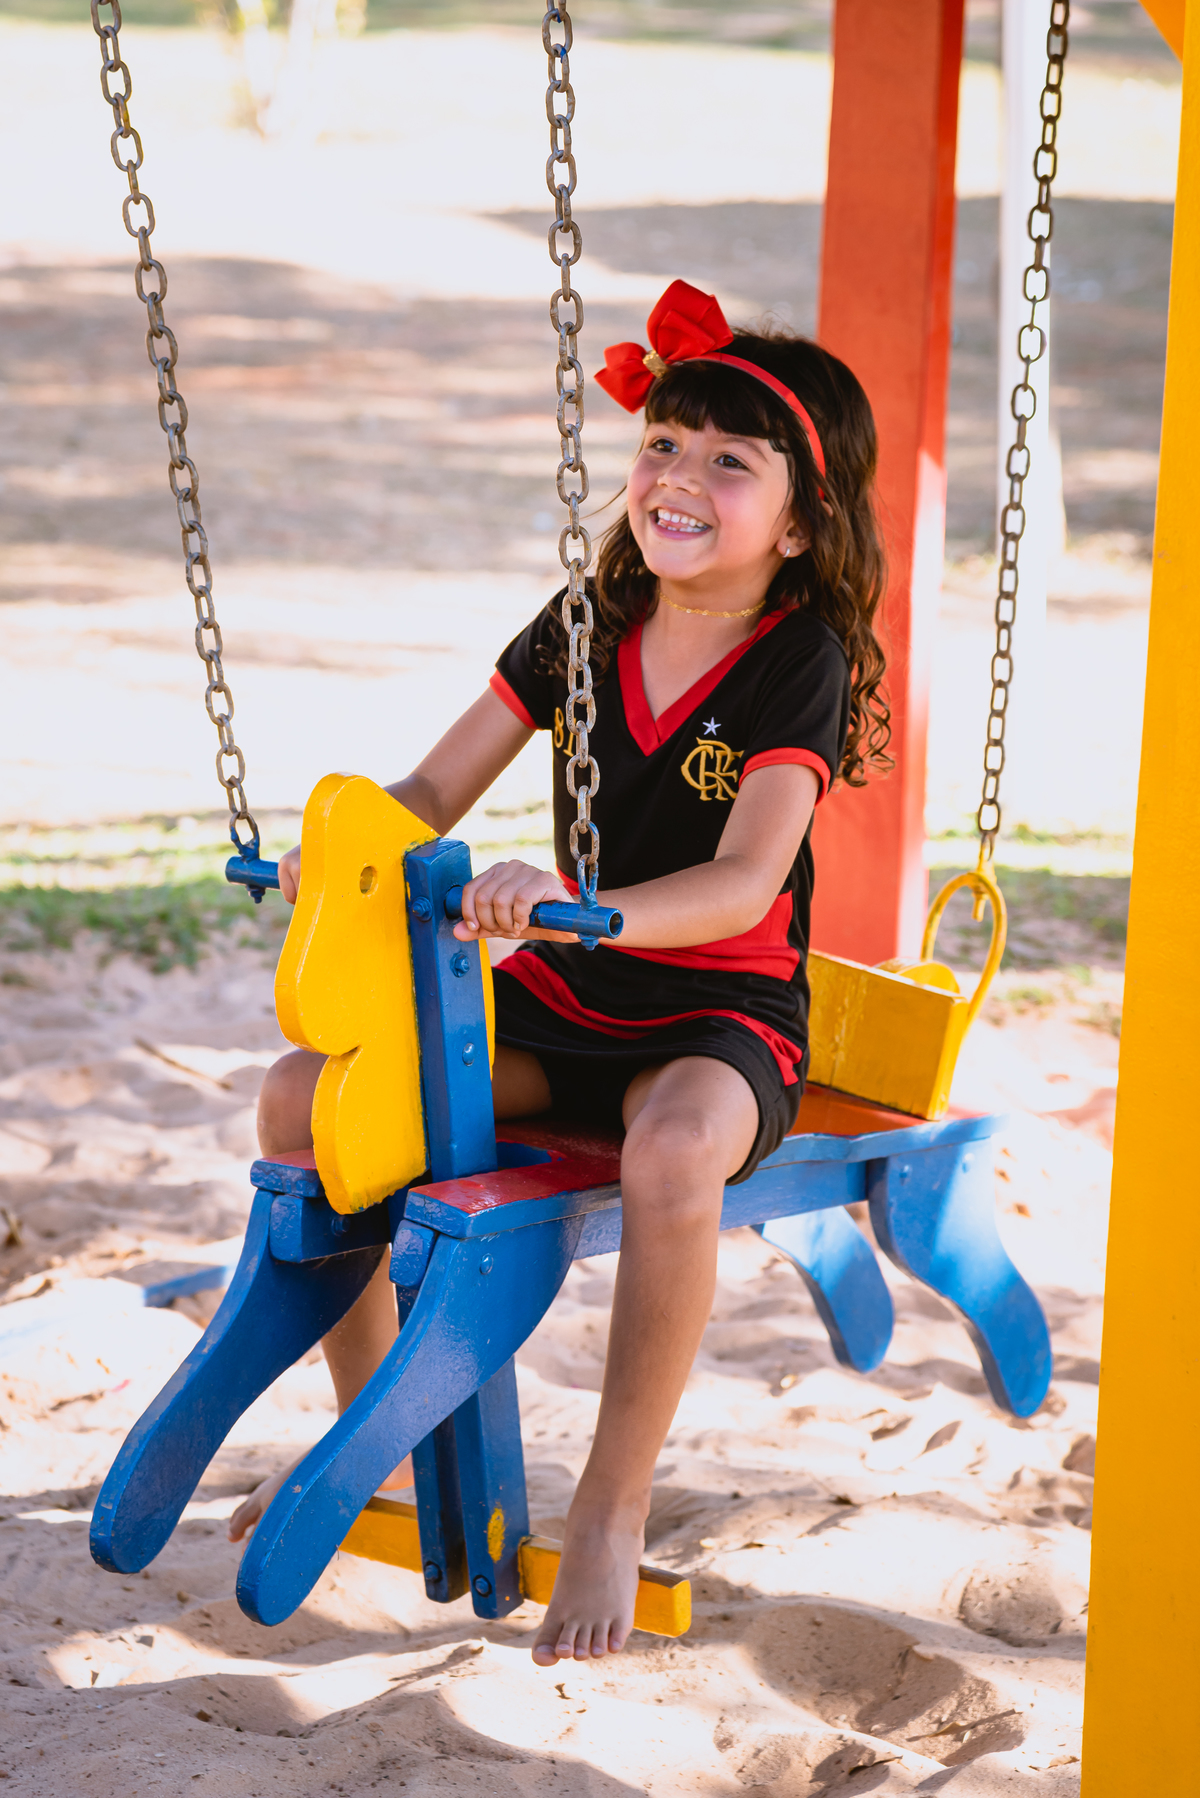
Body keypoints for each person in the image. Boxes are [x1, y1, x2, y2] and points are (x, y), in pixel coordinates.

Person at [230, 280, 890, 1667]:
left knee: (675, 1149)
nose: (680, 477)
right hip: (564, 995)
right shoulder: (584, 625)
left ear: (803, 518)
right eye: (663, 443)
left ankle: (610, 1495)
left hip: (717, 1006)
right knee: (305, 1096)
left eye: (730, 458)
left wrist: (575, 906)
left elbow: (746, 880)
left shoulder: (796, 660)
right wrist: (341, 851)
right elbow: (428, 785)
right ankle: (381, 1441)